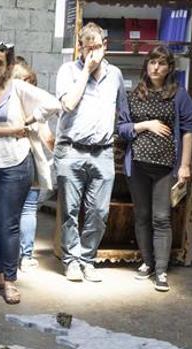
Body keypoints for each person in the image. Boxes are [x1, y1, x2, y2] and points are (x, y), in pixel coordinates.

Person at [0, 40, 61, 304]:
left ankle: (9, 280)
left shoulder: (17, 88)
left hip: (15, 164)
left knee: (8, 225)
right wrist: (13, 130)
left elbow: (53, 104)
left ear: (8, 67)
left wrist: (31, 120)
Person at [116, 45, 192, 292]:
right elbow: (122, 128)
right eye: (152, 62)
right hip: (137, 165)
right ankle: (147, 262)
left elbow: (187, 132)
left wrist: (184, 165)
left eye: (161, 63)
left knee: (161, 217)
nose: (155, 67)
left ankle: (161, 271)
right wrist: (146, 125)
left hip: (165, 166)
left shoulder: (179, 95)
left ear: (169, 68)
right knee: (141, 216)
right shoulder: (133, 95)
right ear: (146, 66)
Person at [54, 22, 127, 282]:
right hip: (72, 150)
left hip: (103, 152)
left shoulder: (115, 75)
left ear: (105, 46)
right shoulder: (67, 71)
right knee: (70, 210)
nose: (93, 52)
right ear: (80, 48)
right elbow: (69, 104)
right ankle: (71, 260)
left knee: (99, 211)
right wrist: (85, 70)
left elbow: (122, 112)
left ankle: (87, 258)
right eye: (88, 48)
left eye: (97, 47)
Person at [12, 56, 55, 272]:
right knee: (28, 209)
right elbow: (46, 136)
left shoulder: (1, 100)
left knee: (9, 211)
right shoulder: (36, 103)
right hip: (30, 159)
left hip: (8, 161)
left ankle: (9, 256)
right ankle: (25, 257)